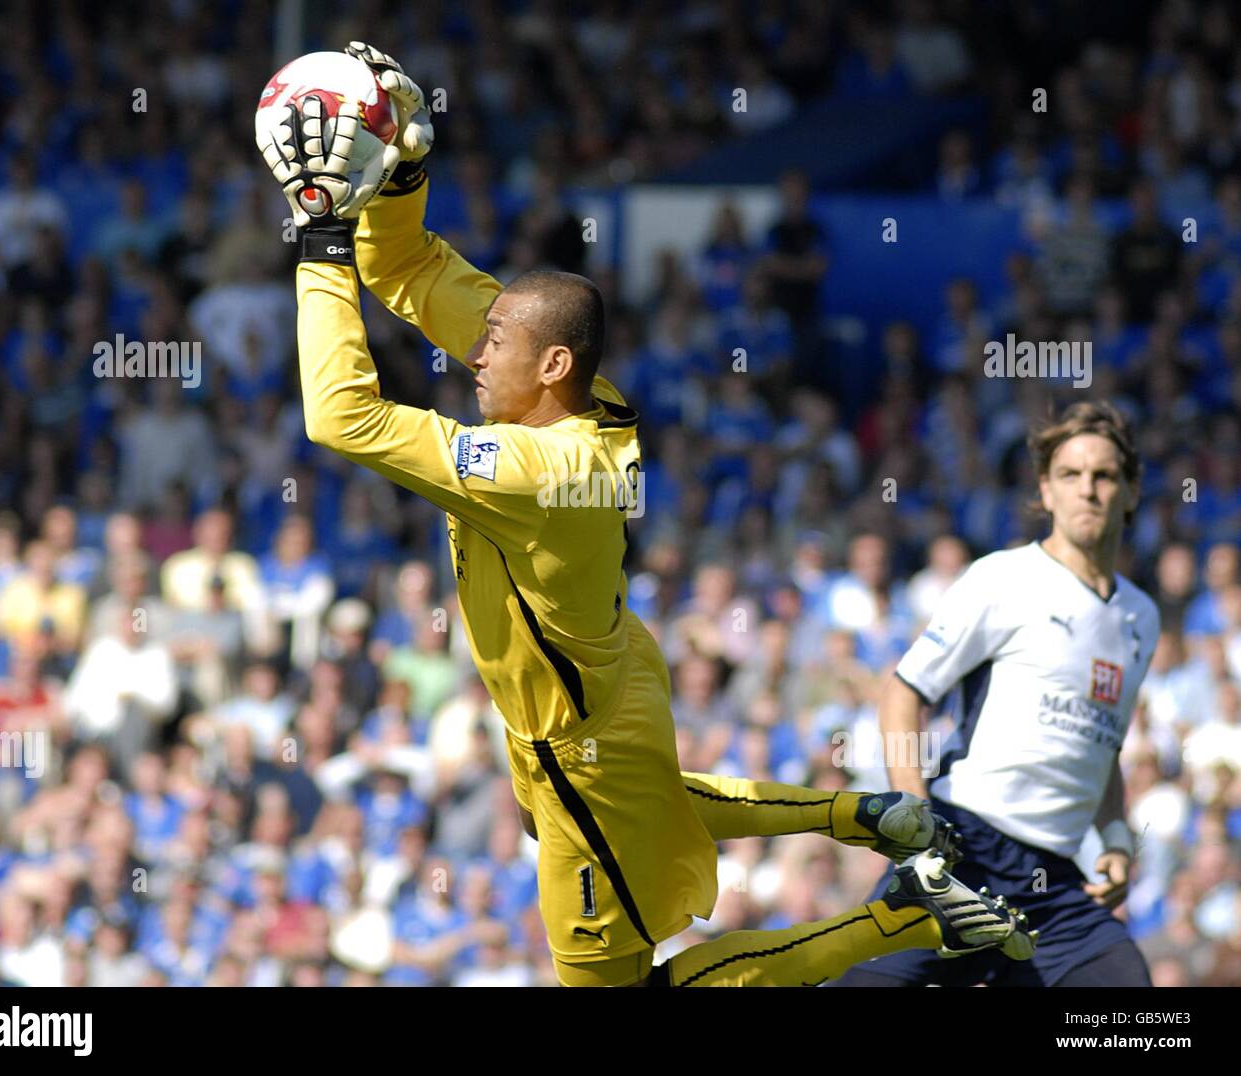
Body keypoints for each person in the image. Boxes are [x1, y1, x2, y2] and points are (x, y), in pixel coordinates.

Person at [254, 42, 1034, 987]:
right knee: (653, 800)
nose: (473, 351)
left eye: (492, 340)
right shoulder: (596, 404)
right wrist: (406, 164)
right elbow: (413, 269)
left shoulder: (526, 465)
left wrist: (320, 230)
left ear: (547, 367)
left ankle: (903, 918)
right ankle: (863, 820)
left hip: (575, 731)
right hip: (614, 680)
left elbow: (339, 416)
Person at [833, 401, 1160, 987]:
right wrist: (916, 827)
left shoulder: (1142, 617)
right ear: (1046, 490)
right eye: (1071, 475)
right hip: (963, 851)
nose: (1088, 489)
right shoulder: (1002, 578)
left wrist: (1115, 839)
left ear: (1131, 491)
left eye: (1105, 475)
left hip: (1057, 887)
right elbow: (903, 693)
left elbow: (1101, 744)